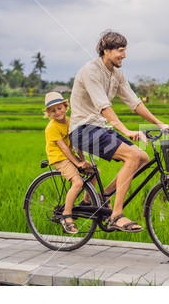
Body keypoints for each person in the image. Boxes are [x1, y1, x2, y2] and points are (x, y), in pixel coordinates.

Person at [69, 30, 169, 232]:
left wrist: (159, 123)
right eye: (120, 51)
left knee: (142, 158)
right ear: (106, 50)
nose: (123, 56)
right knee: (133, 155)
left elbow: (133, 102)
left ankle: (103, 196)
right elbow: (103, 107)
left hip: (99, 128)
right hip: (82, 129)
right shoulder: (90, 71)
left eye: (124, 50)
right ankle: (116, 215)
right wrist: (126, 130)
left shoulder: (117, 73)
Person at [44, 91, 97, 234]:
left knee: (94, 171)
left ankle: (86, 201)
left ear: (66, 107)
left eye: (59, 108)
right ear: (49, 113)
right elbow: (64, 149)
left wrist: (83, 160)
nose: (57, 112)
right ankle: (66, 216)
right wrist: (77, 163)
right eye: (53, 110)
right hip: (59, 157)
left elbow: (77, 142)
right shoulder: (52, 128)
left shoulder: (70, 121)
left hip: (70, 155)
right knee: (78, 182)